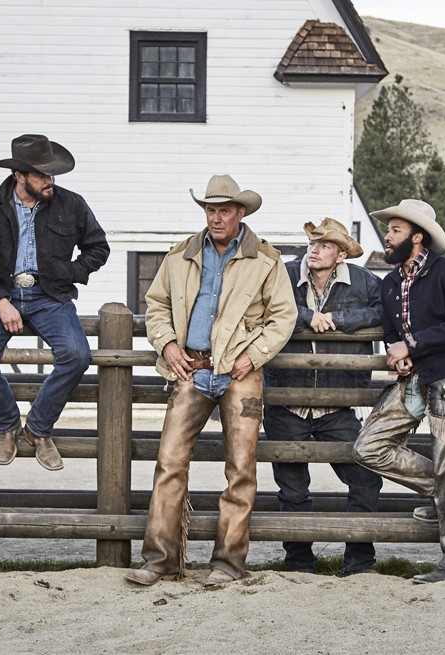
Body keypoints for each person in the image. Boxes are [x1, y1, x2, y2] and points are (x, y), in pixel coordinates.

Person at [124, 174, 297, 587]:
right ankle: (160, 562)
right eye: (210, 210)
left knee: (241, 468)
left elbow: (283, 316)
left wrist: (253, 355)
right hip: (192, 368)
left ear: (240, 212)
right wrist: (167, 344)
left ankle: (228, 564)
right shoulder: (180, 254)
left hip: (241, 373)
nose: (216, 218)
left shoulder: (266, 260)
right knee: (169, 462)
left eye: (224, 210)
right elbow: (156, 305)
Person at [352, 199, 445, 584]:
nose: (387, 237)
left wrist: (412, 345)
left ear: (417, 237)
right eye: (389, 230)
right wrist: (399, 354)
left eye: (395, 230)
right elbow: (392, 331)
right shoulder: (391, 283)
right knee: (368, 446)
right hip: (413, 379)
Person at [0, 134, 110, 471]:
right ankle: (6, 425)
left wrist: (68, 273)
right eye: (43, 174)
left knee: (77, 355)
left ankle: (39, 428)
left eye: (52, 173)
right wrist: (0, 301)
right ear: (19, 175)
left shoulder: (71, 203)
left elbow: (98, 248)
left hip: (50, 296)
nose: (50, 180)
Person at [263, 217, 384, 575]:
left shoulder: (365, 281)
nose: (314, 250)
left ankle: (359, 561)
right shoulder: (283, 274)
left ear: (341, 255)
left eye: (325, 245)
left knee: (365, 478)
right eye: (313, 243)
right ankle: (299, 562)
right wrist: (306, 316)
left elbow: (383, 311)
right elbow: (263, 304)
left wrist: (338, 318)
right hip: (286, 399)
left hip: (339, 402)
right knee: (292, 489)